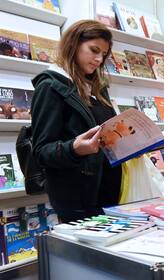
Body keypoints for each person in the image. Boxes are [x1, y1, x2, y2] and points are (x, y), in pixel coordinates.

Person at [31, 20, 122, 222]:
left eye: (104, 54)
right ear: (74, 44)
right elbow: (41, 152)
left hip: (111, 194)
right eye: (94, 50)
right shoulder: (50, 87)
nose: (99, 59)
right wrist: (75, 149)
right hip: (78, 201)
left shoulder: (97, 88)